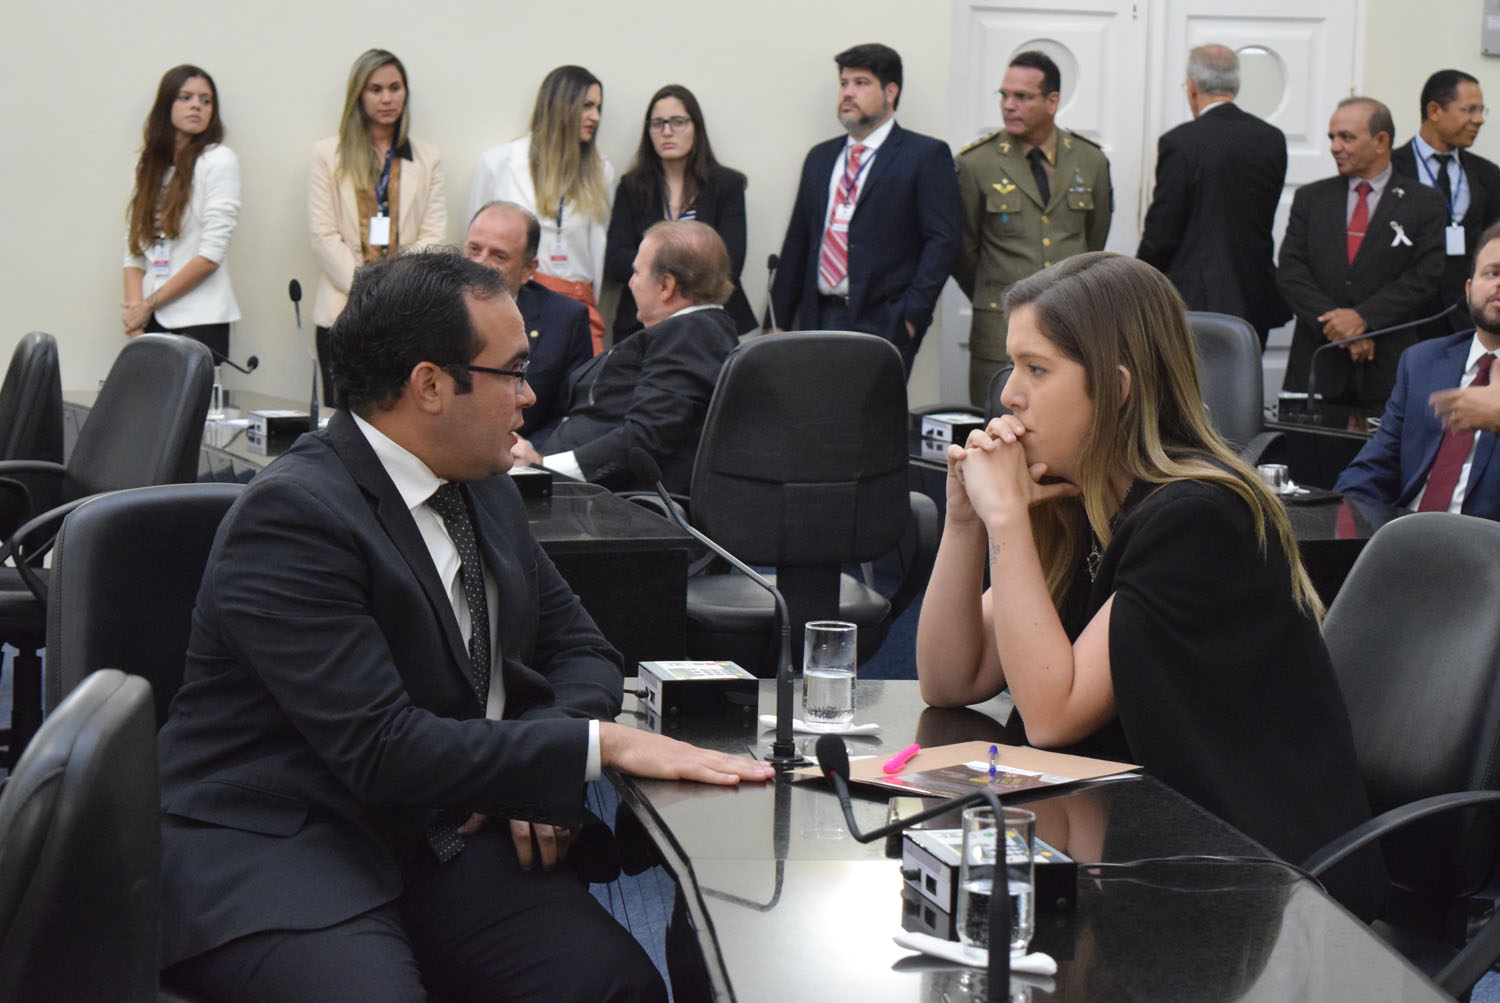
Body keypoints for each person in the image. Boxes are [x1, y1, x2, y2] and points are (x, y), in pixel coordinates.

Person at [155, 250, 772, 1002]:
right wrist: (595, 744)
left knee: (614, 986)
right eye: (512, 372)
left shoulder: (482, 484)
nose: (530, 395)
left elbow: (583, 648)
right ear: (430, 385)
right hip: (289, 839)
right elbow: (381, 748)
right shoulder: (293, 516)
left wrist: (531, 760)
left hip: (442, 827)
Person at [915, 252, 1375, 892]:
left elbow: (1051, 715)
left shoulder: (1201, 518)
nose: (1009, 395)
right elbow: (949, 679)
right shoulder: (1080, 498)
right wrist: (966, 522)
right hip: (1134, 834)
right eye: (1012, 365)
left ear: (1117, 389)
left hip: (1247, 876)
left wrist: (1007, 522)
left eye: (1036, 369)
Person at [767, 43, 959, 374]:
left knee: (868, 408)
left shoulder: (924, 155)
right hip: (816, 317)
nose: (848, 93)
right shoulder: (820, 158)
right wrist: (776, 321)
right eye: (844, 83)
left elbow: (943, 240)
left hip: (884, 320)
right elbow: (798, 239)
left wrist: (911, 317)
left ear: (890, 92)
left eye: (861, 83)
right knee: (811, 403)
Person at [512, 220, 738, 494]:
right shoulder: (688, 332)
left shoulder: (691, 335)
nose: (631, 282)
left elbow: (648, 437)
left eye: (637, 273)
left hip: (591, 498)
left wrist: (542, 467)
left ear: (666, 286)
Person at [954, 50, 1112, 406]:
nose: (1009, 105)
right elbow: (963, 251)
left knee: (1069, 423)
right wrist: (997, 293)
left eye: (1022, 96)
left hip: (1072, 326)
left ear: (1052, 101)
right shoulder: (975, 163)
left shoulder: (1090, 160)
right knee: (997, 422)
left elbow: (1094, 239)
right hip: (1000, 329)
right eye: (1004, 95)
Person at [1278, 97, 1446, 411]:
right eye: (1332, 137)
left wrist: (1364, 319)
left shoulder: (1424, 203)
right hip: (1317, 362)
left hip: (1388, 364)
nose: (1334, 147)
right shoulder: (1310, 198)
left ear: (1381, 141)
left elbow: (1425, 276)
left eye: (1347, 137)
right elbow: (1291, 270)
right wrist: (1340, 326)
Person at [308, 49, 447, 404]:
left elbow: (433, 235)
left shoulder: (428, 158)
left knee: (400, 413)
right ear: (359, 95)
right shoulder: (327, 155)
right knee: (342, 414)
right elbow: (323, 235)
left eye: (395, 88)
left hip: (405, 311)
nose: (387, 99)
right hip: (342, 309)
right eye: (376, 89)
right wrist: (366, 289)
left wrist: (394, 289)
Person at [1334, 222, 1500, 518]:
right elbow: (1374, 469)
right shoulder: (1422, 361)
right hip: (1406, 533)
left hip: (1484, 542)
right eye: (1493, 273)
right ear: (1468, 289)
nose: (1499, 284)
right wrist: (1337, 520)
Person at [1136, 44, 1290, 347]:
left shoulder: (1181, 142)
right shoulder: (1272, 139)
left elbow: (1163, 230)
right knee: (1244, 375)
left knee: (1192, 377)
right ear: (1236, 86)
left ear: (1192, 86)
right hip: (1254, 293)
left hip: (1195, 298)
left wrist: (1139, 278)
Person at [469, 65, 614, 352]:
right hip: (513, 301)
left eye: (598, 108)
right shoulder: (499, 163)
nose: (596, 117)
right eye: (587, 106)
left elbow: (598, 250)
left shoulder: (601, 171)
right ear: (560, 105)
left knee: (585, 378)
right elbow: (474, 243)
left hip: (578, 304)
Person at [605, 84, 755, 340]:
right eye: (657, 123)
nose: (667, 132)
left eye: (677, 122)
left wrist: (655, 266)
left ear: (696, 126)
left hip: (709, 324)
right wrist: (688, 267)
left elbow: (730, 261)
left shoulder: (727, 185)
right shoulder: (632, 186)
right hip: (640, 324)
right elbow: (616, 260)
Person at [122, 64, 240, 360]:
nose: (196, 106)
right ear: (166, 105)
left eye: (205, 100)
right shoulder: (147, 166)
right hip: (148, 320)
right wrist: (136, 321)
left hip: (200, 321)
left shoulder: (219, 160)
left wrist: (148, 305)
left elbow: (210, 256)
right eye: (186, 97)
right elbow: (134, 251)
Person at [464, 201, 592, 438]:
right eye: (474, 250)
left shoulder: (565, 319)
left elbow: (576, 413)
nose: (480, 264)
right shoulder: (428, 306)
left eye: (498, 256)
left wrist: (532, 450)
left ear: (527, 269)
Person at [1391, 69, 1500, 332]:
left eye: (1481, 111)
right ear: (1434, 111)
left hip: (1465, 318)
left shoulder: (1488, 174)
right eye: (1469, 110)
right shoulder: (1390, 169)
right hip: (1404, 319)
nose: (1479, 120)